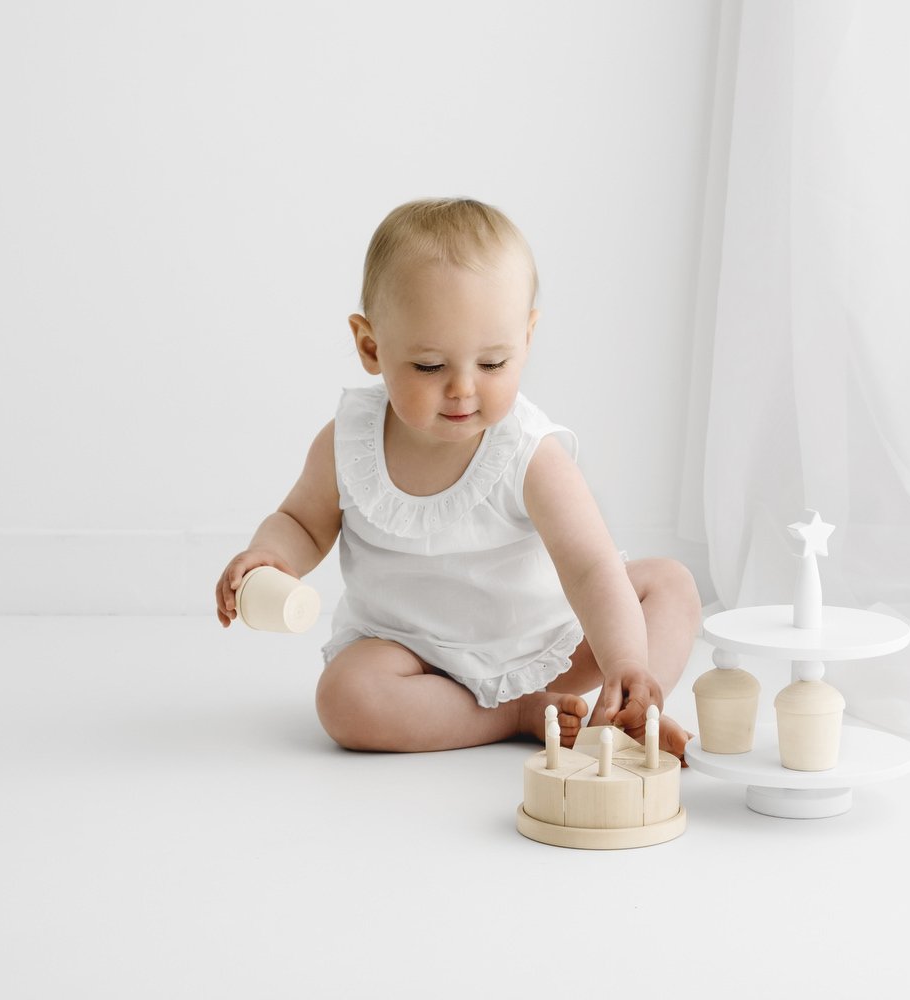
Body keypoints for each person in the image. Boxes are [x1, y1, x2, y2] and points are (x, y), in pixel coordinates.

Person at [214, 198, 701, 760]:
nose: (463, 388)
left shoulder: (527, 451)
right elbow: (302, 521)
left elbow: (590, 568)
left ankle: (632, 702)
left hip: (541, 642)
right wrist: (271, 556)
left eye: (492, 364)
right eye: (429, 366)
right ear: (372, 347)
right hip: (410, 656)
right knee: (345, 699)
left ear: (527, 337)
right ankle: (512, 714)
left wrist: (624, 660)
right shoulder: (348, 440)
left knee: (669, 584)